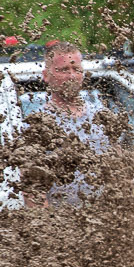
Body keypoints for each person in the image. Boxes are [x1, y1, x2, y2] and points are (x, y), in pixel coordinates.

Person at [22, 39, 111, 207]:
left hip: (106, 216)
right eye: (63, 70)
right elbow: (33, 190)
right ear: (46, 75)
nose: (71, 76)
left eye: (76, 69)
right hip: (63, 219)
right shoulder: (38, 125)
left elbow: (119, 171)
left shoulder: (101, 116)